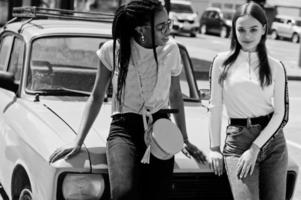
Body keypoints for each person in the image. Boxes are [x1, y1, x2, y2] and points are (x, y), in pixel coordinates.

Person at [49, 1, 205, 200]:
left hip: (161, 127)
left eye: (169, 23)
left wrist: (184, 138)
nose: (168, 31)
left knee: (158, 195)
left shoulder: (171, 50)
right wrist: (78, 141)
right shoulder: (112, 50)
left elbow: (175, 95)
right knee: (124, 193)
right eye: (161, 27)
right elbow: (97, 96)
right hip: (124, 128)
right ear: (141, 29)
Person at [207, 2, 289, 200]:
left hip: (272, 142)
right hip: (237, 142)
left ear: (263, 29)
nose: (247, 36)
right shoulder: (221, 62)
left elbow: (281, 114)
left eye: (253, 29)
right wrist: (214, 148)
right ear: (233, 30)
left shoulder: (276, 66)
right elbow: (215, 106)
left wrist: (255, 148)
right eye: (241, 30)